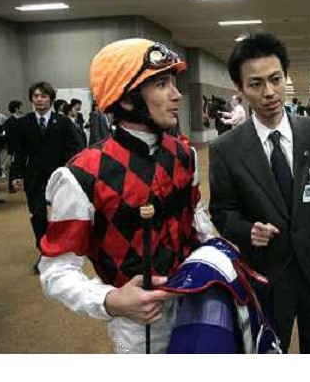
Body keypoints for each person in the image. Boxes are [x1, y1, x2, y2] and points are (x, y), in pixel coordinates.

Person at [37, 38, 216, 354]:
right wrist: (110, 300)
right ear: (129, 100)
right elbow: (56, 271)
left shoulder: (184, 154)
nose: (177, 95)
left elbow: (197, 221)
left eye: (174, 83)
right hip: (138, 325)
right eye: (162, 84)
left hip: (197, 302)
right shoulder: (81, 175)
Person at [208, 32, 310, 353]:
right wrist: (246, 230)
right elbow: (222, 210)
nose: (269, 92)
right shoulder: (226, 149)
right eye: (256, 84)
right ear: (239, 90)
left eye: (275, 79)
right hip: (265, 276)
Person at [10, 82, 82, 271]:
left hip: (59, 177)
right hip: (34, 178)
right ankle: (44, 251)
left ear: (50, 98)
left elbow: (75, 149)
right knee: (38, 215)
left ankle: (59, 250)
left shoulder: (64, 122)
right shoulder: (23, 123)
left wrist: (73, 172)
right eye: (36, 96)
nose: (39, 99)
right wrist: (16, 174)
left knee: (59, 215)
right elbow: (18, 152)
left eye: (43, 96)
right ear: (31, 99)